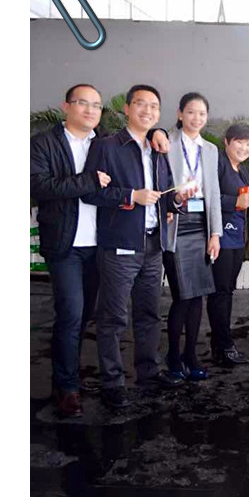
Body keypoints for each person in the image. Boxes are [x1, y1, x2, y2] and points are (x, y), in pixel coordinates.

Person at [82, 85, 196, 409]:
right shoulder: (106, 147)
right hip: (120, 245)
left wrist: (178, 199)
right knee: (113, 318)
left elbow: (165, 196)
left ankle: (148, 373)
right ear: (127, 109)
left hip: (152, 244)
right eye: (141, 104)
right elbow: (90, 192)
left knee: (148, 314)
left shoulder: (159, 149)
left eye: (154, 106)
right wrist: (131, 196)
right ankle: (112, 382)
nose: (148, 111)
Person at [30, 84, 111, 417]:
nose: (90, 110)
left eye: (96, 105)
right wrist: (88, 181)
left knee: (84, 315)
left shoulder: (105, 142)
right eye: (83, 103)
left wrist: (159, 134)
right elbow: (38, 185)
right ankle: (66, 388)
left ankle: (68, 377)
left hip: (98, 245)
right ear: (66, 106)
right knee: (70, 314)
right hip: (64, 244)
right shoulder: (43, 143)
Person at [163, 92, 222, 381]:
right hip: (176, 222)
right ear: (180, 113)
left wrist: (215, 233)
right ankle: (173, 356)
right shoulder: (166, 142)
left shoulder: (210, 150)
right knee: (182, 296)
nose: (196, 118)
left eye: (201, 113)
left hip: (201, 224)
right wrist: (168, 205)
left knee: (198, 295)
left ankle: (191, 355)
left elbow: (214, 193)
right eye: (191, 112)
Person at [207, 124, 249, 365]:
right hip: (221, 235)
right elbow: (209, 196)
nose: (244, 148)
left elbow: (244, 201)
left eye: (248, 144)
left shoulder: (243, 171)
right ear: (226, 142)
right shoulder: (218, 163)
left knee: (227, 291)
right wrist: (235, 201)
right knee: (220, 292)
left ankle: (221, 344)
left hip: (237, 237)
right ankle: (223, 345)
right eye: (239, 142)